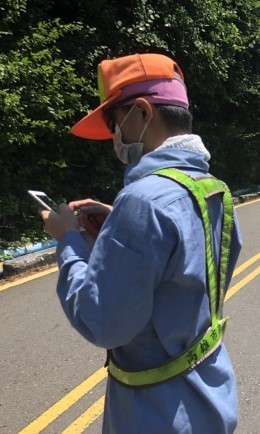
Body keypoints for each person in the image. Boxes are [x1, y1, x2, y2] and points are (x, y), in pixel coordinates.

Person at [38, 53, 242, 433]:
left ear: (144, 114)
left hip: (156, 414)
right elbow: (187, 264)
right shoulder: (213, 190)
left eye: (116, 124)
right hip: (209, 396)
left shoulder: (143, 201)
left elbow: (102, 321)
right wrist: (119, 221)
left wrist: (68, 241)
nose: (116, 138)